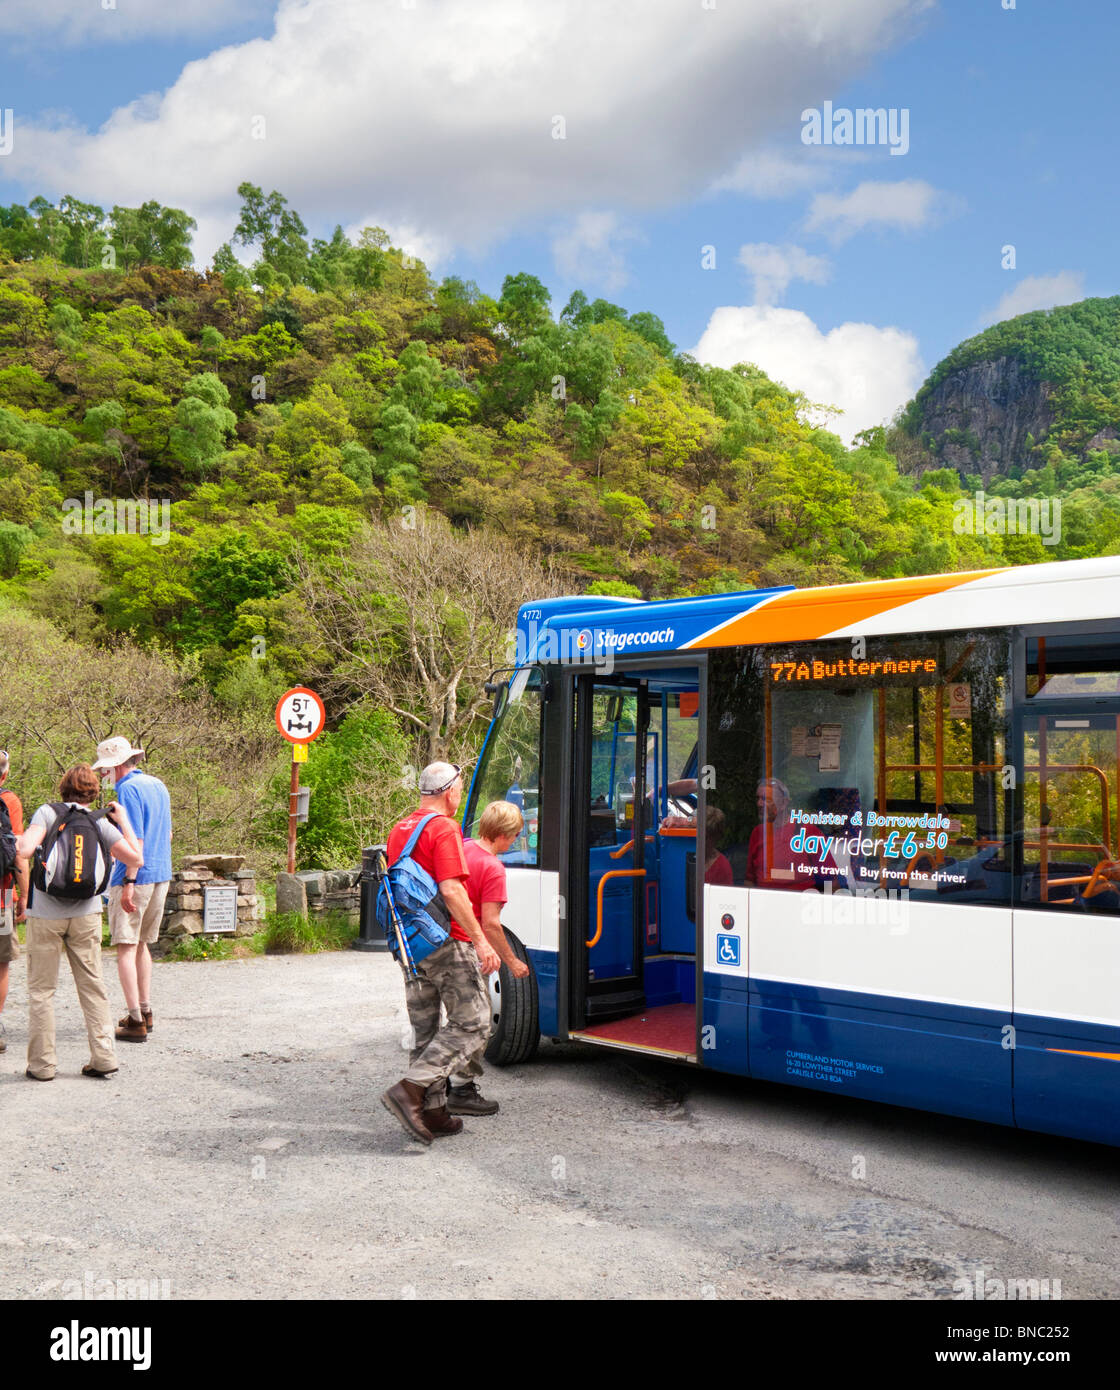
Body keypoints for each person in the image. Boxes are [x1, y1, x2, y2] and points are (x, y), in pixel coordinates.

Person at [380, 763, 501, 1145]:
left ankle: (432, 1111)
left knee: (426, 1028)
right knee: (475, 1021)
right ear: (450, 793)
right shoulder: (444, 828)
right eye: (460, 789)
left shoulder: (400, 829)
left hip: (411, 945)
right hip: (445, 942)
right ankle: (410, 1091)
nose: (460, 796)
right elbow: (451, 891)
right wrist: (481, 941)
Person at [16, 764, 142, 1081]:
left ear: (63, 788)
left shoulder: (47, 813)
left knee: (42, 992)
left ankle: (42, 1067)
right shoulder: (99, 822)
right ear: (93, 793)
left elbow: (25, 849)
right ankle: (103, 1058)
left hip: (45, 914)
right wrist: (123, 820)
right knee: (93, 987)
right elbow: (135, 859)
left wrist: (27, 839)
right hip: (87, 914)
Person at [449, 800, 532, 1116]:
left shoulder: (464, 848)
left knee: (457, 1017)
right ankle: (461, 1088)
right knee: (478, 1022)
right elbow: (491, 924)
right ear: (505, 835)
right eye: (515, 836)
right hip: (470, 949)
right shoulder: (493, 868)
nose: (514, 842)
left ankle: (443, 1083)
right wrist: (512, 961)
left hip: (447, 946)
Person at [91, 737, 173, 1043]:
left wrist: (128, 882)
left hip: (136, 875)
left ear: (116, 766)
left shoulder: (127, 790)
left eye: (105, 769)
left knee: (125, 947)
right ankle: (145, 1011)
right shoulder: (158, 784)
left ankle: (135, 1020)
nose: (103, 775)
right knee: (142, 946)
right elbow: (167, 833)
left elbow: (134, 839)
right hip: (162, 872)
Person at [0, 750, 30, 1054]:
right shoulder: (9, 801)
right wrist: (24, 895)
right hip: (2, 895)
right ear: (5, 774)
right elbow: (18, 852)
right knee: (1, 964)